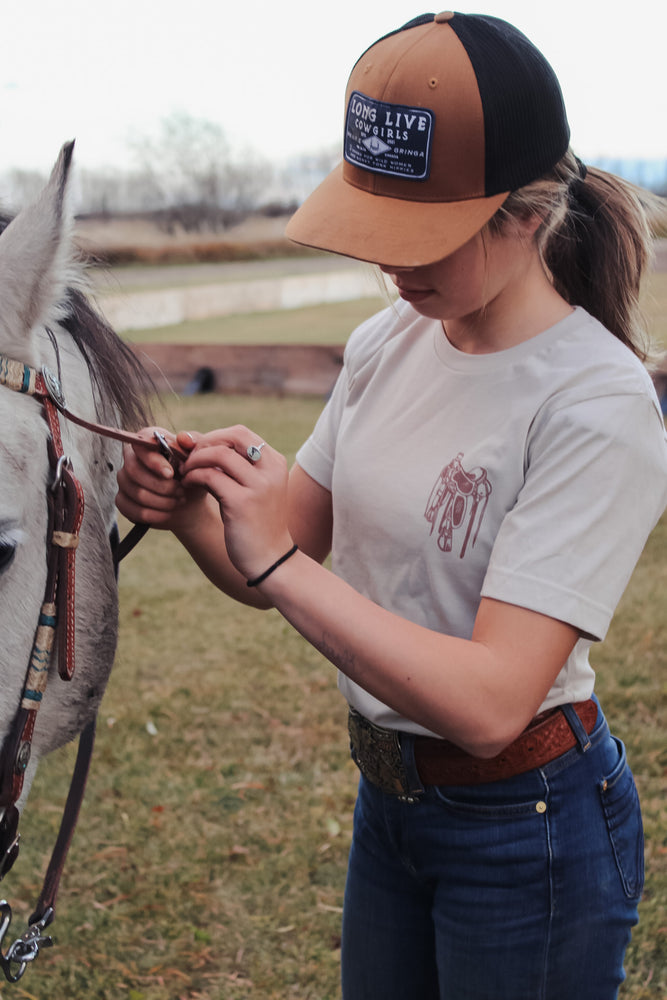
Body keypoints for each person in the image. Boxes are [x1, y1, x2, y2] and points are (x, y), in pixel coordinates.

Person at [116, 11, 667, 999]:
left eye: (424, 237)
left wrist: (280, 565)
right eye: (377, 232)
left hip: (526, 827)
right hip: (392, 807)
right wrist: (194, 509)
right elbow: (279, 548)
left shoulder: (595, 400)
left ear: (527, 215)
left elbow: (493, 703)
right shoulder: (387, 342)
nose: (391, 265)